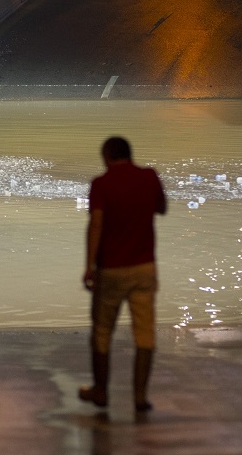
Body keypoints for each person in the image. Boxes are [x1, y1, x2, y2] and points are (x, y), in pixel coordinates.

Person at [79, 136, 167, 412]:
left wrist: (89, 266)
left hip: (112, 270)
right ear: (130, 154)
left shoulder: (101, 184)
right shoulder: (149, 177)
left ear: (107, 157)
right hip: (144, 268)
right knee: (144, 333)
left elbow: (96, 225)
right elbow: (161, 208)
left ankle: (101, 392)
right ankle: (139, 397)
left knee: (102, 331)